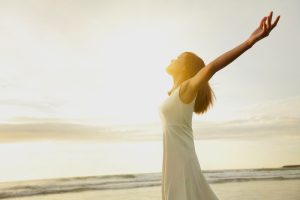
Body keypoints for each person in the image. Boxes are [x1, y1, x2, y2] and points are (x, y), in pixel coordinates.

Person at [158, 11, 280, 200]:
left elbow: (212, 67)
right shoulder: (175, 94)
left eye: (178, 58)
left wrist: (250, 41)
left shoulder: (187, 88)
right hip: (174, 162)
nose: (172, 59)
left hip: (181, 163)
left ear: (184, 68)